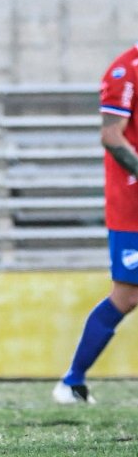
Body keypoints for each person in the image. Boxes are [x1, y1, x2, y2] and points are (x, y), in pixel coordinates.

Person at [53, 42, 138, 405]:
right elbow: (111, 135)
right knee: (127, 295)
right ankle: (71, 382)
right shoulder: (126, 70)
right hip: (131, 207)